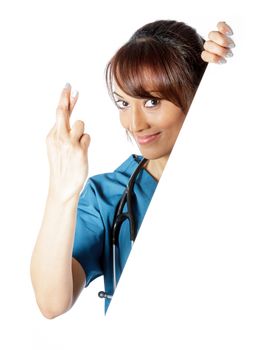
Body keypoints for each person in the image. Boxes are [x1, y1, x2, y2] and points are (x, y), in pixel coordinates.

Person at [30, 20, 235, 319]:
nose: (135, 124)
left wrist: (239, 64)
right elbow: (51, 302)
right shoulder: (110, 196)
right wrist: (62, 191)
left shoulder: (236, 171)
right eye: (124, 103)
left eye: (152, 101)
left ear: (196, 93)